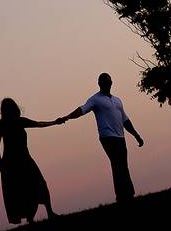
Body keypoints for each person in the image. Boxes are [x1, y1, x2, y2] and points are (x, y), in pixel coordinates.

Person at [56, 73, 144, 203]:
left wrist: (136, 135)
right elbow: (82, 109)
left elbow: (125, 120)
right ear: (99, 84)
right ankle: (122, 196)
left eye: (108, 81)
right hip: (107, 137)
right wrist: (67, 117)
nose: (106, 83)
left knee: (123, 165)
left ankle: (128, 194)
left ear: (111, 83)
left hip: (120, 137)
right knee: (117, 164)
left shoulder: (117, 100)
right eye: (103, 81)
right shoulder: (95, 99)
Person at [0, 98, 58, 224]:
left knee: (39, 184)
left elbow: (39, 124)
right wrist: (0, 163)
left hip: (25, 160)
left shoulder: (19, 121)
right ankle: (32, 218)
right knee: (23, 190)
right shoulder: (2, 124)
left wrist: (55, 122)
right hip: (12, 163)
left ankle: (49, 213)